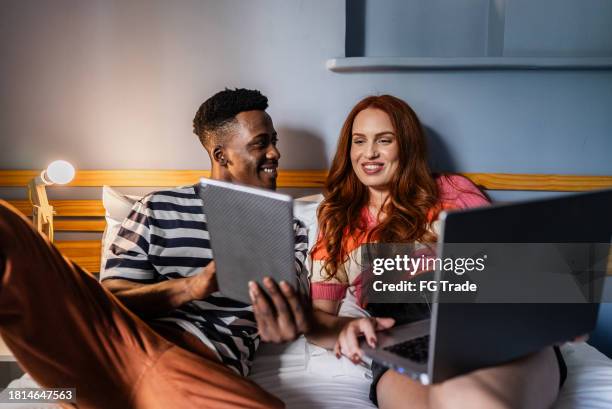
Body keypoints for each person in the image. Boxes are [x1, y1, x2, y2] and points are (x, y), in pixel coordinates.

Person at [0, 88, 310, 408]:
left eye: (274, 141)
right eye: (262, 143)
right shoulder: (157, 207)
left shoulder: (287, 227)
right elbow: (114, 298)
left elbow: (295, 312)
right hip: (114, 345)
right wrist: (191, 287)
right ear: (221, 156)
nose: (275, 153)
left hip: (197, 370)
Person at [305, 95, 565, 409]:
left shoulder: (452, 192)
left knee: (470, 399)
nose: (368, 153)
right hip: (403, 342)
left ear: (407, 146)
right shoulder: (338, 221)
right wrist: (347, 329)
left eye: (384, 140)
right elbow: (318, 320)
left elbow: (506, 266)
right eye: (359, 141)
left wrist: (552, 306)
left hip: (488, 325)